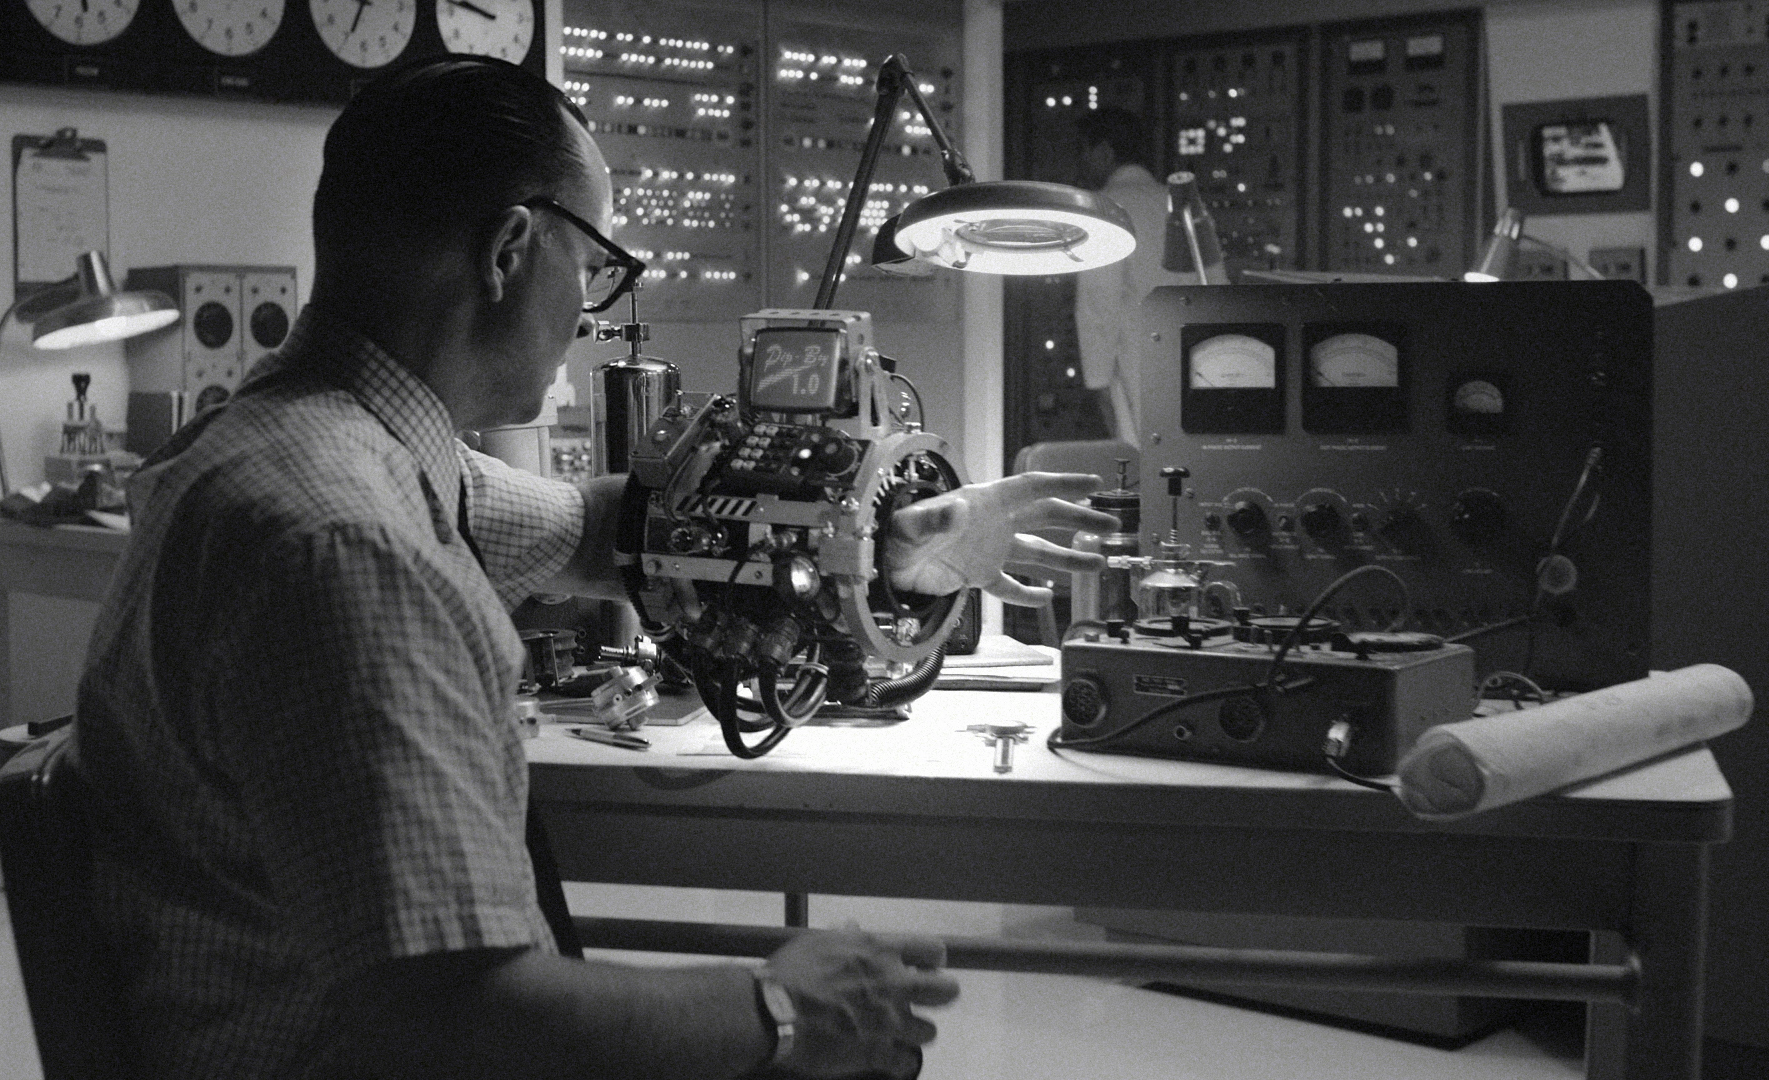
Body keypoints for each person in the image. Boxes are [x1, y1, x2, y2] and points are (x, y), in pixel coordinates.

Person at [75, 56, 1115, 1079]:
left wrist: (885, 544)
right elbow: (456, 1021)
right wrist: (779, 1008)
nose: (588, 312)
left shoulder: (288, 451)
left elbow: (605, 530)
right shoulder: (350, 542)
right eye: (592, 269)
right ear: (508, 251)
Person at [1071, 107, 1224, 447]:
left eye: (1083, 150)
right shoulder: (1186, 206)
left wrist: (1098, 385)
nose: (1080, 162)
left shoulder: (1106, 208)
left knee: (1145, 469)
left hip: (1137, 370)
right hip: (1201, 368)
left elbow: (1098, 308)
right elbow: (1218, 288)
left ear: (1104, 151)